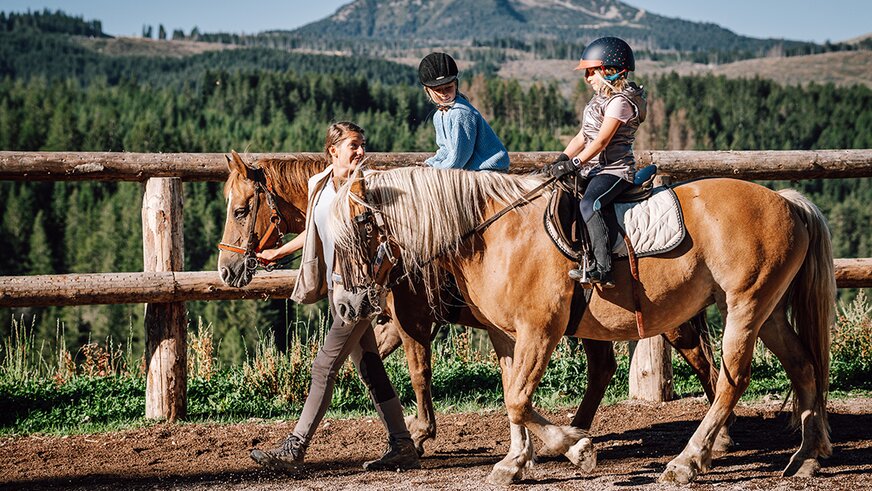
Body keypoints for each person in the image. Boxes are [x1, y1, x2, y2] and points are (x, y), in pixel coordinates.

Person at [250, 122, 420, 472]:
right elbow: (316, 227)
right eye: (353, 145)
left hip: (359, 293)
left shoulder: (369, 187)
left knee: (324, 366)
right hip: (336, 288)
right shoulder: (320, 185)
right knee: (370, 368)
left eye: (362, 144)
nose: (360, 151)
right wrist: (279, 253)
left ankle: (294, 448)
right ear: (333, 151)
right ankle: (403, 444)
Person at [547, 37, 647, 288]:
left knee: (592, 203)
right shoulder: (598, 100)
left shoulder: (620, 102)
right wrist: (562, 159)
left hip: (615, 171)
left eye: (591, 71)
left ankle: (604, 269)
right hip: (594, 169)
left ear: (610, 71)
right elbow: (583, 136)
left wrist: (576, 163)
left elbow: (602, 141)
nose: (587, 77)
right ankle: (581, 256)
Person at [418, 52, 510, 172]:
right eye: (438, 90)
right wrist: (430, 164)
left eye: (448, 87)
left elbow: (458, 158)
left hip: (489, 170)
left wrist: (436, 170)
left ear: (455, 85)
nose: (444, 93)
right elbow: (445, 149)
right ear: (428, 90)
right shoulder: (439, 115)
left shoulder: (461, 114)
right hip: (470, 170)